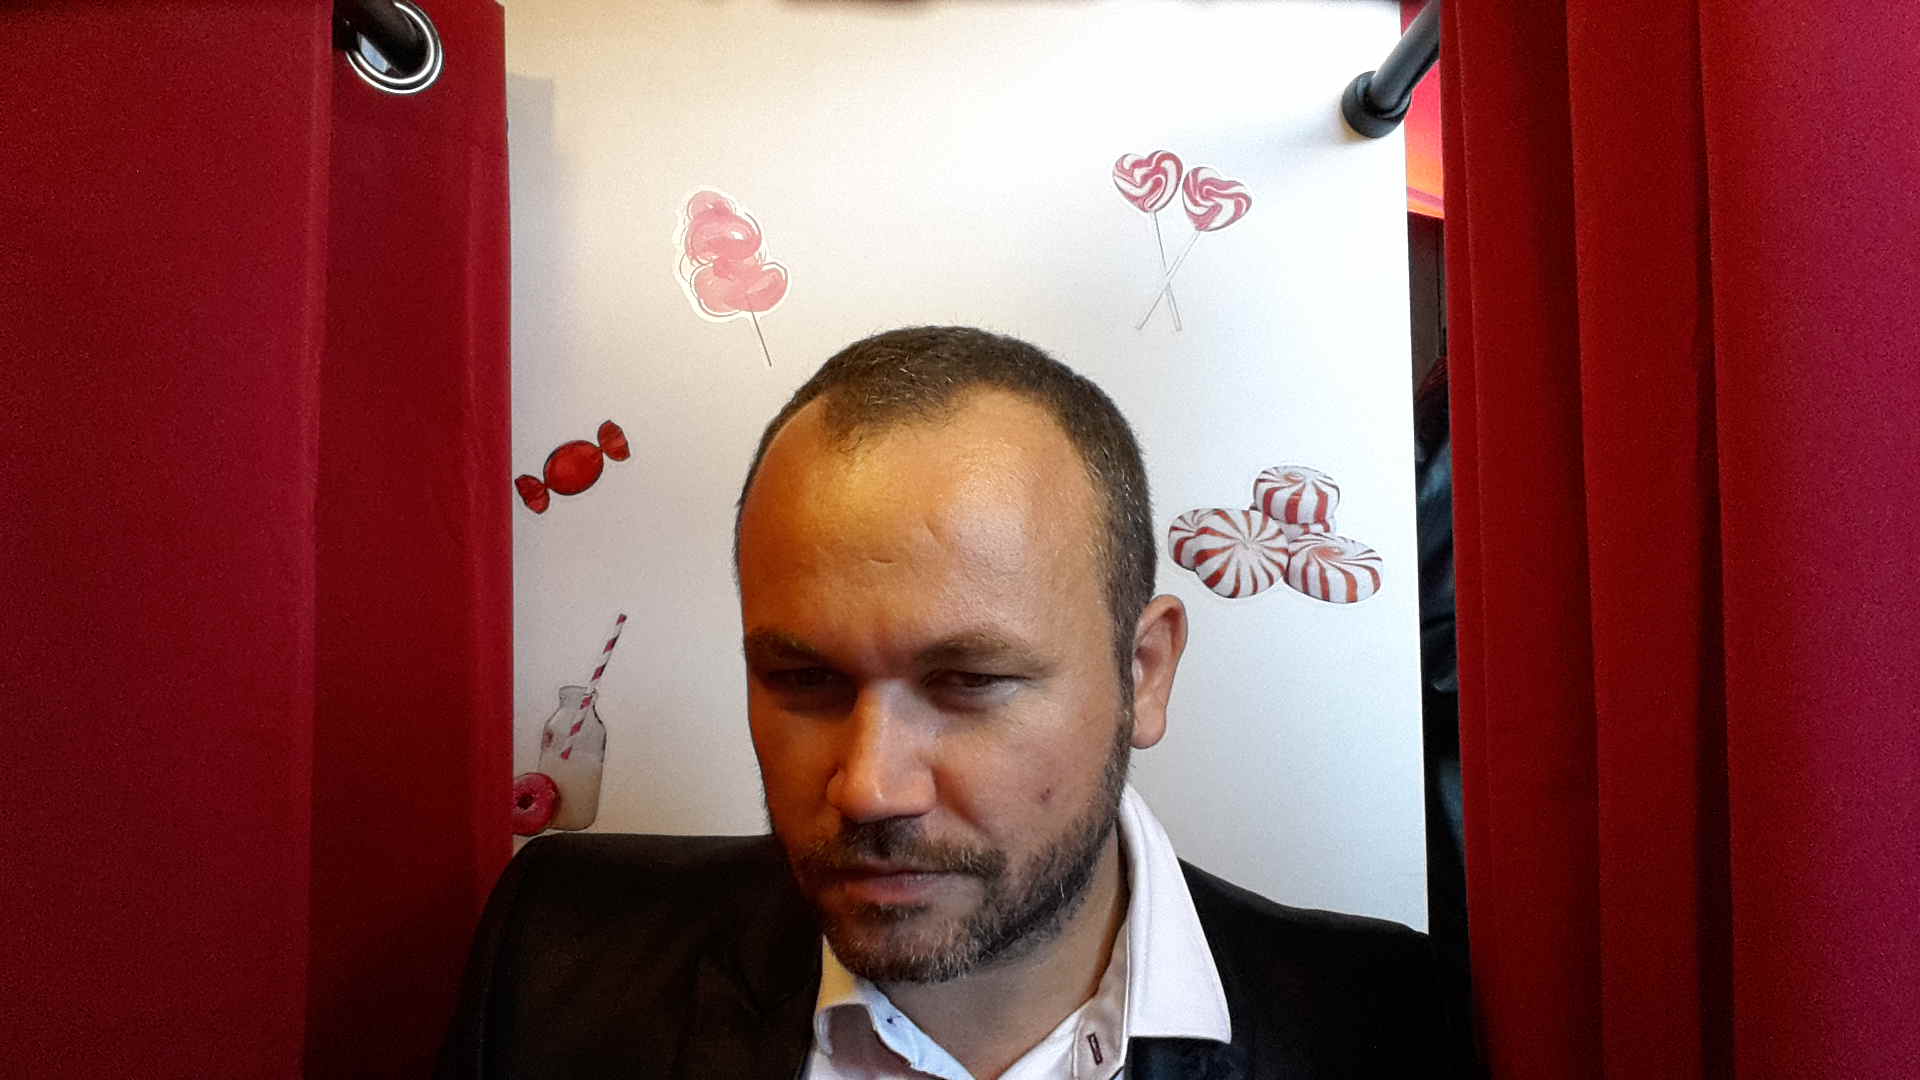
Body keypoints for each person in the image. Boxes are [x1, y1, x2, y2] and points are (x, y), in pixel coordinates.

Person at [439, 327, 1464, 1079]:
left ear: (1144, 673)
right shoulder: (563, 963)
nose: (870, 787)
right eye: (803, 680)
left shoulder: (1382, 1027)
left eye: (969, 683)